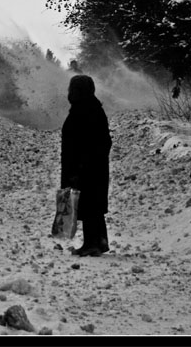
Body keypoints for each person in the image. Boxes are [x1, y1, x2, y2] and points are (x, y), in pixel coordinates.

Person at [61, 74, 112, 257]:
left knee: (89, 204)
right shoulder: (88, 107)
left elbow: (99, 142)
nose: (70, 92)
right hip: (90, 167)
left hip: (86, 168)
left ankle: (92, 244)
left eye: (73, 88)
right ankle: (99, 241)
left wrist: (81, 166)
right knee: (93, 205)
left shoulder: (86, 110)